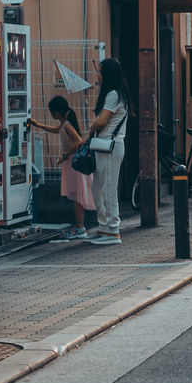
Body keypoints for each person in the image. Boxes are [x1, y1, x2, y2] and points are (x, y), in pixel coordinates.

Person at [78, 58, 128, 246]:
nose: (97, 75)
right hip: (104, 146)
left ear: (107, 74)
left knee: (108, 188)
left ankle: (113, 231)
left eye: (100, 71)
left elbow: (101, 122)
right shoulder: (115, 94)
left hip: (110, 146)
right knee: (97, 187)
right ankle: (103, 227)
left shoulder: (113, 94)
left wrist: (91, 127)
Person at [29, 96, 94, 240]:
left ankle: (80, 228)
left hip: (73, 163)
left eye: (51, 112)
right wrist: (38, 125)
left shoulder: (67, 126)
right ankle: (79, 227)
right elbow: (55, 130)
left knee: (78, 197)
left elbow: (79, 142)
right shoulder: (65, 124)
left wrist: (64, 155)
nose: (51, 115)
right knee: (77, 196)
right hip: (73, 164)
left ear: (56, 113)